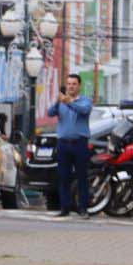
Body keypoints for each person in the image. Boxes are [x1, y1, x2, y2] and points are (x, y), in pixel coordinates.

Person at [47, 72, 93, 218]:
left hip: (80, 143)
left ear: (79, 86)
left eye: (74, 84)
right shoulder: (62, 101)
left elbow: (83, 110)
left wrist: (69, 102)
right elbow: (50, 113)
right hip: (63, 143)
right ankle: (65, 208)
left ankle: (83, 208)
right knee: (63, 177)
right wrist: (57, 101)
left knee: (82, 177)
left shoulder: (85, 100)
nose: (71, 86)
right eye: (69, 84)